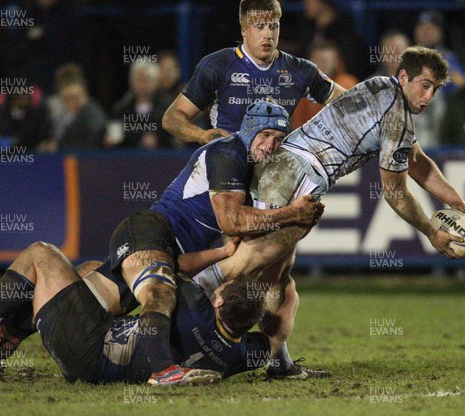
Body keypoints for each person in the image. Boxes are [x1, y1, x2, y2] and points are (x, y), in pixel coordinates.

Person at [194, 47, 465, 372]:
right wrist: (432, 232)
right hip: (299, 178)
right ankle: (178, 311)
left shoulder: (381, 88)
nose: (428, 94)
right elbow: (395, 193)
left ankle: (278, 362)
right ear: (404, 77)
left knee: (277, 276)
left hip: (281, 163)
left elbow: (416, 161)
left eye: (435, 88)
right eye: (424, 84)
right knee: (246, 268)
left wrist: (455, 200)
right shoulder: (397, 120)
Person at [107, 101, 324, 384]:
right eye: (266, 135)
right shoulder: (227, 152)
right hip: (156, 237)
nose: (272, 145)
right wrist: (292, 213)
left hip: (182, 254)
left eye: (279, 139)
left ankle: (280, 363)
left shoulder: (252, 165)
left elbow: (244, 226)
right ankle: (163, 371)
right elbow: (231, 221)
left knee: (96, 297)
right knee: (136, 299)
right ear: (250, 129)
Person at [0, 240, 298, 385]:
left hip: (88, 344)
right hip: (100, 364)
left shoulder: (193, 304)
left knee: (40, 254)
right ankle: (13, 328)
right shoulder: (242, 355)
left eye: (221, 291)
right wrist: (285, 281)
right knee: (88, 273)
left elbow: (166, 266)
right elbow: (279, 331)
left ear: (218, 301)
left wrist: (225, 252)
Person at [162, 0, 346, 145]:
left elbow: (350, 100)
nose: (268, 34)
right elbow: (172, 118)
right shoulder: (218, 65)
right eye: (260, 26)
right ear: (244, 30)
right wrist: (201, 135)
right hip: (226, 160)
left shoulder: (299, 70)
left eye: (273, 26)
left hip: (275, 165)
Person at [291, 40, 358, 129]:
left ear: (335, 63)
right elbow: (298, 125)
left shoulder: (348, 84)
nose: (321, 65)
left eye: (325, 61)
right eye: (317, 60)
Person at [109, 61, 174, 149]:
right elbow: (116, 138)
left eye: (147, 80)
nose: (143, 85)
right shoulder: (121, 108)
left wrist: (158, 139)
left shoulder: (168, 107)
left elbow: (175, 138)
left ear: (156, 81)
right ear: (131, 81)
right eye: (139, 80)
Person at [300, 0, 369, 81]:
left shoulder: (345, 33)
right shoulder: (309, 30)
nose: (305, 5)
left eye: (309, 1)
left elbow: (354, 67)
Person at [57, 78, 108, 150]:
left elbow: (97, 131)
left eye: (75, 97)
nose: (72, 101)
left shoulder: (92, 111)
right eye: (66, 98)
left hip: (88, 156)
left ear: (84, 95)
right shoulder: (65, 116)